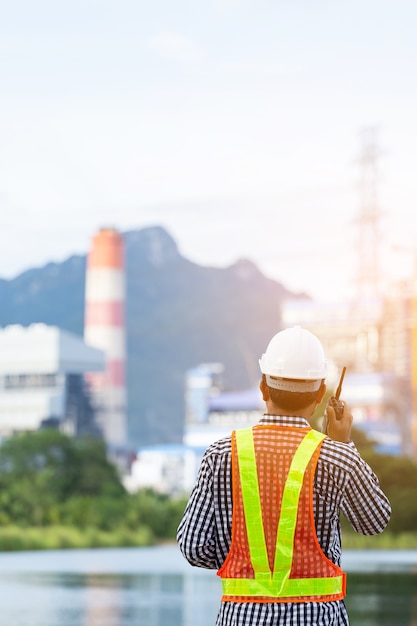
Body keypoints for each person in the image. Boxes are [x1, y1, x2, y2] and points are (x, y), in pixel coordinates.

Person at [177, 325, 391, 625]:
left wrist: (239, 557)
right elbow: (373, 522)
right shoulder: (335, 455)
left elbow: (194, 547)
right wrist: (344, 445)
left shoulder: (220, 454)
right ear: (320, 394)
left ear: (263, 388)